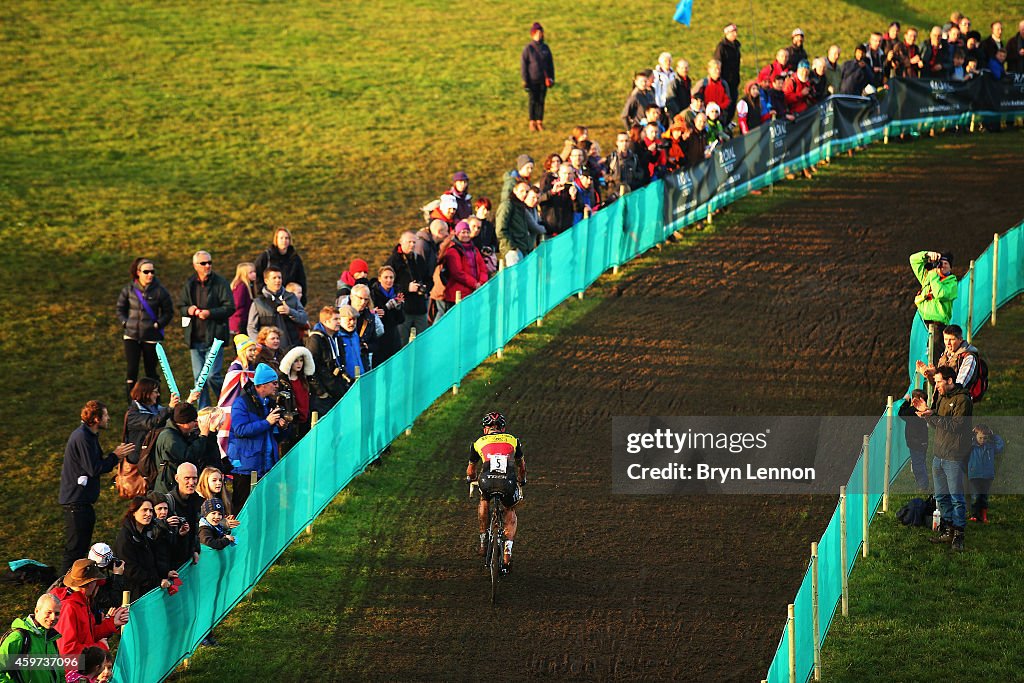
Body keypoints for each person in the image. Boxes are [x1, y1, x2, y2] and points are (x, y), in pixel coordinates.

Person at [59, 402, 134, 573]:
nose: (108, 418)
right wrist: (116, 456)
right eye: (105, 415)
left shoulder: (88, 436)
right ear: (95, 419)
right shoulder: (83, 437)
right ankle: (61, 588)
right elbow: (94, 468)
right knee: (74, 550)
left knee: (80, 548)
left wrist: (115, 456)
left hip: (81, 502)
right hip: (76, 503)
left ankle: (74, 582)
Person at [912, 367, 972, 552]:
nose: (935, 385)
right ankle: (947, 530)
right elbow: (935, 424)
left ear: (950, 381)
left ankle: (959, 534)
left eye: (938, 382)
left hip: (954, 456)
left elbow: (957, 426)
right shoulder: (941, 397)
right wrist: (926, 415)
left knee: (956, 497)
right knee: (941, 496)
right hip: (938, 455)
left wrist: (933, 416)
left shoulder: (963, 400)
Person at [466, 412, 527, 574]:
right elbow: (522, 467)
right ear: (503, 429)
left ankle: (483, 541)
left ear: (486, 429)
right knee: (510, 509)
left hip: (487, 481)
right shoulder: (513, 440)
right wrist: (522, 480)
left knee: (484, 500)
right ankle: (507, 552)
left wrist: (470, 478)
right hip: (507, 481)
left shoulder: (478, 442)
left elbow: (471, 470)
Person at [176, 251, 235, 408]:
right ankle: (203, 412)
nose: (208, 265)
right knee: (198, 380)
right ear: (195, 266)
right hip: (195, 338)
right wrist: (190, 310)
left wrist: (210, 313)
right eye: (203, 263)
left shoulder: (220, 283)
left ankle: (227, 403)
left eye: (210, 262)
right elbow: (181, 306)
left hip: (215, 337)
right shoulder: (189, 283)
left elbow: (230, 307)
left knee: (212, 376)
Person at [228, 363, 285, 510]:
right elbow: (240, 430)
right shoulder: (241, 403)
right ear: (262, 385)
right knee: (243, 508)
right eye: (274, 383)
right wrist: (267, 422)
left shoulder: (270, 403)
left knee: (264, 508)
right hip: (246, 467)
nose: (276, 386)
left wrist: (280, 427)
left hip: (266, 464)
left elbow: (275, 436)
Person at [116, 257, 174, 401]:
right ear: (138, 272)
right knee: (132, 370)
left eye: (152, 272)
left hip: (151, 336)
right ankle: (131, 404)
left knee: (151, 371)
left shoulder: (160, 291)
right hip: (131, 335)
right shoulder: (129, 289)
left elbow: (169, 311)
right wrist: (125, 322)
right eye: (146, 271)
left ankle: (156, 402)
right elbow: (120, 308)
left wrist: (158, 325)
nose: (150, 275)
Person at [52, 560, 129, 656]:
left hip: (82, 668)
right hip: (75, 670)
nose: (98, 586)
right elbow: (68, 652)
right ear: (90, 584)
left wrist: (112, 623)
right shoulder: (69, 607)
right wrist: (100, 647)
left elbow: (89, 635)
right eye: (97, 582)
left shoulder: (81, 603)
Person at [113, 496, 179, 600]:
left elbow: (150, 562)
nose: (149, 514)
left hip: (146, 592)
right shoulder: (125, 538)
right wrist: (157, 581)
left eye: (151, 511)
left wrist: (164, 574)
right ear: (134, 512)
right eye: (144, 510)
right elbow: (131, 570)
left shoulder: (144, 534)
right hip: (134, 596)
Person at [0, 593, 63, 683]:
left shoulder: (51, 638)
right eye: (48, 612)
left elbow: (60, 672)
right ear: (36, 611)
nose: (53, 617)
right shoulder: (18, 637)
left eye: (57, 613)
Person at [152, 402, 212, 495]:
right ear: (185, 423)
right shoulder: (170, 438)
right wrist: (203, 435)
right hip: (169, 488)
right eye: (194, 421)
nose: (196, 424)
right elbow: (188, 457)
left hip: (174, 486)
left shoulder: (177, 434)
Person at [910, 250, 958, 366]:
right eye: (940, 263)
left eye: (945, 264)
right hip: (923, 324)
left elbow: (939, 293)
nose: (942, 266)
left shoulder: (952, 283)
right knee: (925, 356)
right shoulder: (928, 277)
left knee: (936, 357)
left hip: (938, 325)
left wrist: (933, 273)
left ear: (950, 268)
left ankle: (935, 380)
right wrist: (927, 254)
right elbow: (913, 260)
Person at [247, 266, 308, 351]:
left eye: (279, 277)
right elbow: (251, 327)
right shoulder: (258, 303)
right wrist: (259, 344)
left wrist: (290, 311)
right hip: (269, 351)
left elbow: (304, 319)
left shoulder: (291, 298)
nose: (278, 280)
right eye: (274, 278)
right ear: (266, 281)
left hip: (292, 347)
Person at [386, 231, 431, 345]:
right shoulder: (393, 261)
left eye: (414, 242)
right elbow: (387, 284)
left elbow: (429, 278)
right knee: (402, 343)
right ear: (401, 243)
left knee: (423, 341)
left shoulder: (419, 259)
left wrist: (425, 287)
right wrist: (407, 288)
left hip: (420, 308)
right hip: (403, 310)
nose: (412, 245)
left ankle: (421, 362)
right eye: (409, 242)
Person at [305, 307, 347, 415]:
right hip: (323, 395)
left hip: (336, 389)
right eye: (335, 319)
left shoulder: (337, 337)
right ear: (325, 321)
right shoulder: (315, 339)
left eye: (339, 319)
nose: (339, 322)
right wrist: (320, 392)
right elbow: (310, 367)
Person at [254, 227, 307, 305]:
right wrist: (261, 295)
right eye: (281, 238)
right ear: (276, 240)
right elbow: (257, 276)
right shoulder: (266, 256)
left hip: (289, 299)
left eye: (287, 238)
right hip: (270, 298)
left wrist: (301, 300)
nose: (284, 241)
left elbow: (301, 279)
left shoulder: (295, 258)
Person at [164, 462, 203, 567]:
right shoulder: (166, 503)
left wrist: (195, 550)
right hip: (170, 566)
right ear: (177, 478)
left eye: (194, 478)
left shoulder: (197, 501)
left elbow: (195, 529)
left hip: (188, 563)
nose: (191, 482)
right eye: (187, 478)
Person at [444, 220, 489, 308]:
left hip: (474, 292)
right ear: (457, 234)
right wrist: (475, 284)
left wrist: (482, 282)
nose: (466, 235)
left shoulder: (474, 249)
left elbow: (482, 267)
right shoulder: (453, 251)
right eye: (463, 232)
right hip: (458, 294)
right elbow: (457, 272)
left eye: (468, 232)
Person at [277, 344, 314, 452]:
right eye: (295, 360)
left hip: (306, 421)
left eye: (301, 360)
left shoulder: (307, 379)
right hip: (292, 424)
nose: (299, 364)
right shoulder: (283, 381)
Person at [521, 21, 555, 131]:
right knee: (532, 101)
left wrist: (552, 77)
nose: (539, 35)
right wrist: (525, 80)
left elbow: (550, 64)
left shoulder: (545, 48)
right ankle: (532, 122)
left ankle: (540, 121)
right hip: (532, 80)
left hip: (543, 80)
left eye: (541, 33)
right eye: (537, 33)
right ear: (533, 34)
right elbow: (524, 65)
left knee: (541, 101)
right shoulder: (528, 49)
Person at [968, 425, 1004, 524]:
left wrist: (993, 436)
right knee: (975, 496)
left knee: (983, 496)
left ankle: (984, 516)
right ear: (975, 436)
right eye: (980, 437)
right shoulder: (971, 446)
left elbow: (1000, 445)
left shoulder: (990, 447)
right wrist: (971, 434)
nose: (982, 440)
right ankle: (974, 515)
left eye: (985, 438)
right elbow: (963, 443)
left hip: (987, 476)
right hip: (974, 475)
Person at [369, 265, 405, 364]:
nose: (389, 280)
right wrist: (386, 307)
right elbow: (377, 314)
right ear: (379, 279)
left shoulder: (397, 293)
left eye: (391, 277)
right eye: (386, 277)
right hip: (379, 336)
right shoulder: (373, 293)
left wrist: (398, 308)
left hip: (393, 335)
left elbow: (401, 319)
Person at [897, 389, 930, 491]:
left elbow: (901, 413)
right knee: (921, 462)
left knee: (918, 465)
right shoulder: (922, 410)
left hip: (916, 443)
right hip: (922, 442)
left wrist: (905, 402)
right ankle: (923, 483)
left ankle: (923, 486)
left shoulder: (913, 411)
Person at [713, 24, 742, 121]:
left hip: (734, 82)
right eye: (732, 32)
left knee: (733, 106)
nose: (735, 34)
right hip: (725, 82)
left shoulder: (736, 46)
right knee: (726, 106)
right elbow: (717, 64)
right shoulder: (721, 47)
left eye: (735, 31)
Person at [228, 262, 257, 336]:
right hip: (240, 322)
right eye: (251, 272)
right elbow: (237, 303)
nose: (254, 274)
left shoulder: (248, 286)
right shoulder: (241, 286)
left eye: (254, 271)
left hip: (241, 320)